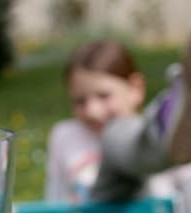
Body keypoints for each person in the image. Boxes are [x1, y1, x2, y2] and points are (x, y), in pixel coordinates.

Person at [45, 39, 191, 203]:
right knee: (114, 138)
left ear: (136, 89)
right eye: (80, 101)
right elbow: (54, 201)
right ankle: (162, 126)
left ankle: (165, 122)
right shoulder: (66, 136)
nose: (92, 111)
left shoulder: (177, 141)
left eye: (103, 96)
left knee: (120, 135)